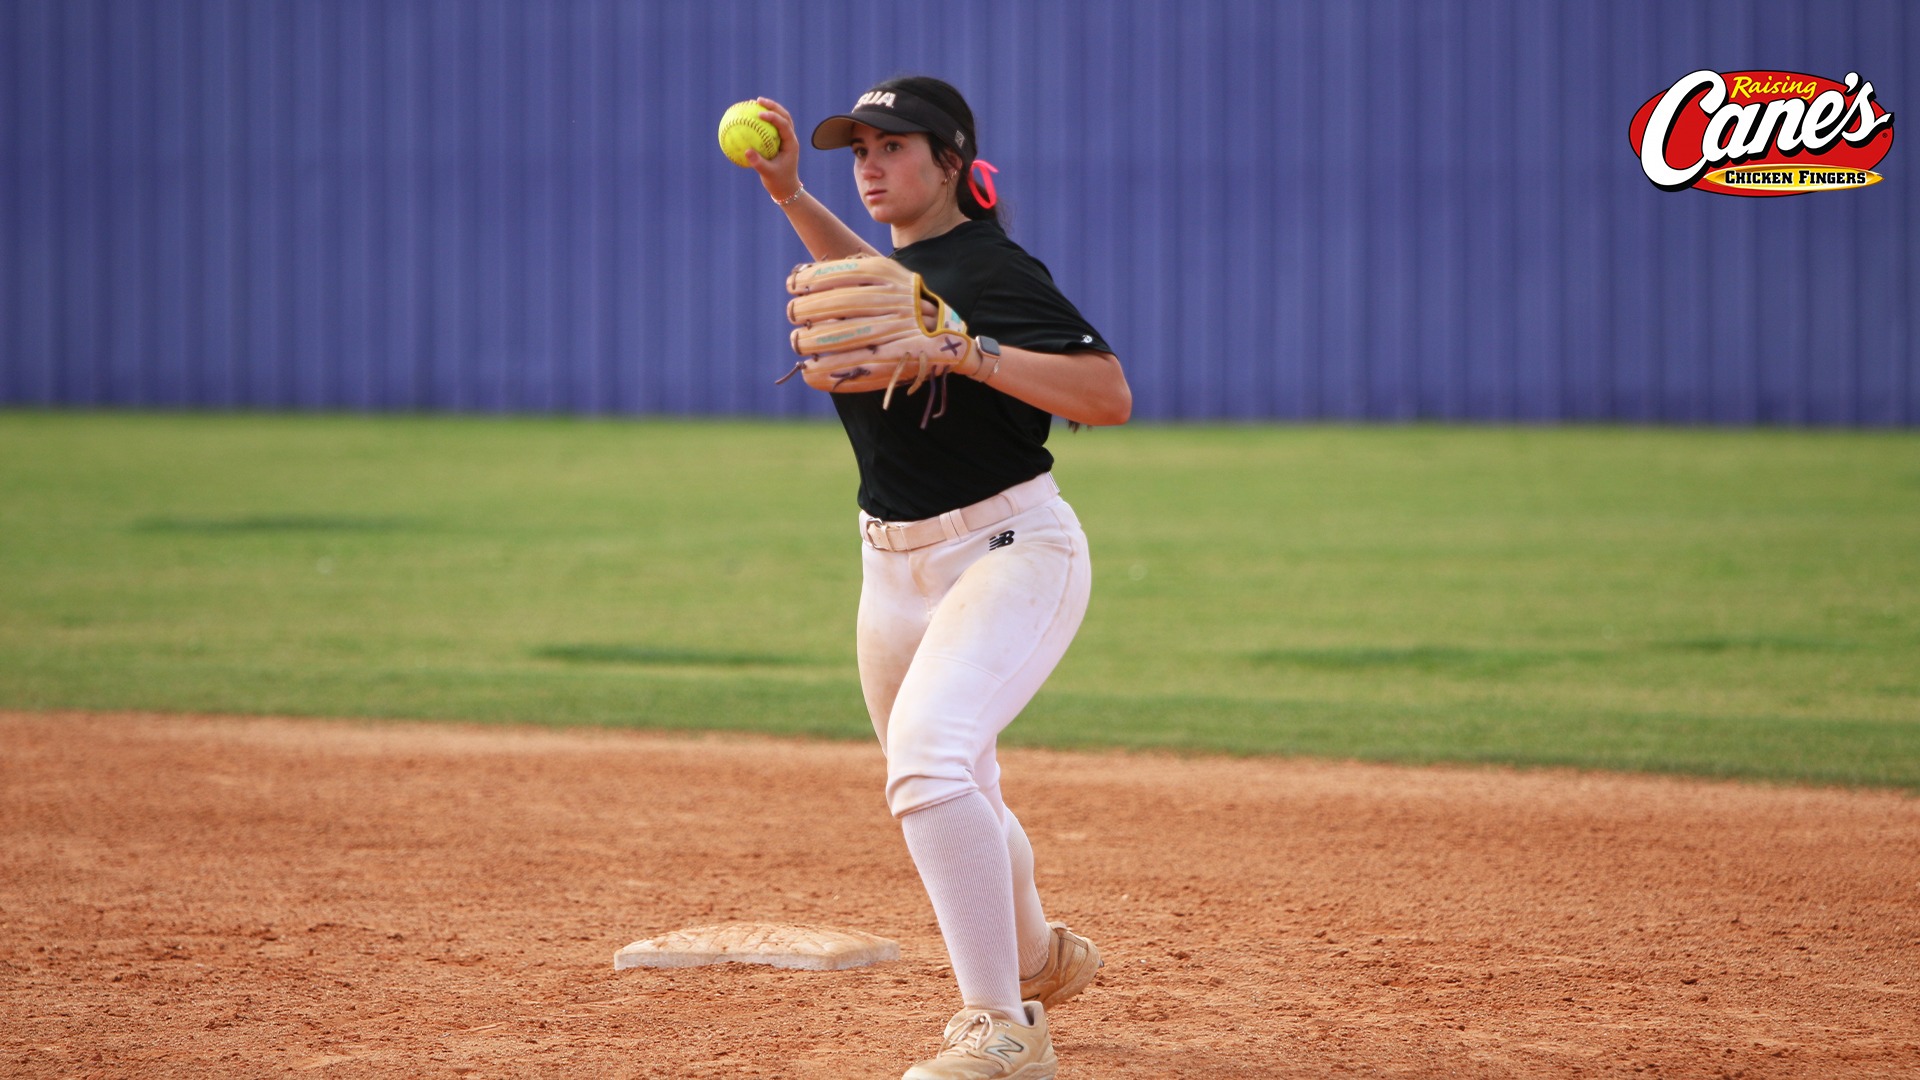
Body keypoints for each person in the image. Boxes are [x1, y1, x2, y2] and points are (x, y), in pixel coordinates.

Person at [744, 76, 1130, 1080]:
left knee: (926, 761)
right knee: (958, 780)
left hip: (1011, 549)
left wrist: (969, 350)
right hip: (891, 571)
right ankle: (1038, 954)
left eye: (894, 147)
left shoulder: (992, 272)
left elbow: (1108, 392)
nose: (870, 164)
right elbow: (883, 285)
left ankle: (1002, 1028)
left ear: (951, 161)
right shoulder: (902, 271)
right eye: (858, 150)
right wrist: (790, 192)